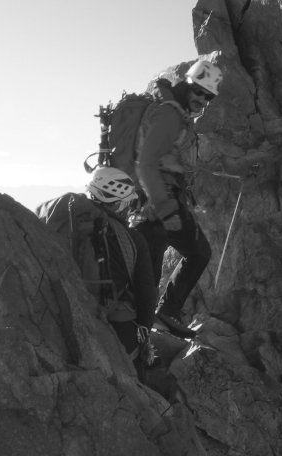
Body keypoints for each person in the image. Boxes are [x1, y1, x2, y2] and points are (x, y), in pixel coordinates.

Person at [130, 58, 220, 336]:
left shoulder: (180, 116)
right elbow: (145, 164)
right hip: (154, 206)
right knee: (152, 275)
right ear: (187, 85)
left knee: (197, 253)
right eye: (198, 91)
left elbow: (179, 162)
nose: (202, 100)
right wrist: (166, 209)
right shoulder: (170, 115)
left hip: (164, 203)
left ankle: (162, 316)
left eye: (208, 96)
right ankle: (146, 330)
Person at [36, 165, 154, 362]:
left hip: (56, 314)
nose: (130, 210)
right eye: (127, 203)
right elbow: (146, 292)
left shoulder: (63, 218)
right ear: (116, 204)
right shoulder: (132, 239)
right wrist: (145, 330)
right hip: (111, 324)